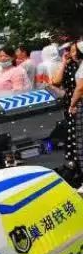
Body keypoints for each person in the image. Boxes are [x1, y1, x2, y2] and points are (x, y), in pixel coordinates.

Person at [53, 42, 83, 177]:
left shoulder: (81, 66)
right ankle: (73, 165)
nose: (73, 53)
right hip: (70, 103)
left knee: (79, 135)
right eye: (71, 51)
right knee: (72, 135)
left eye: (75, 51)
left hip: (78, 102)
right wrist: (64, 62)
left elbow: (80, 87)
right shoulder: (69, 65)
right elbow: (56, 81)